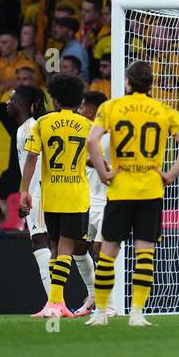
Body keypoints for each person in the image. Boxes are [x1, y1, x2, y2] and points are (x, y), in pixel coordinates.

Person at [85, 61, 179, 327]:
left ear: (127, 82)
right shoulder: (163, 109)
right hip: (150, 189)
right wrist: (170, 175)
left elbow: (91, 141)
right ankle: (136, 313)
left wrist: (103, 173)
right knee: (144, 253)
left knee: (108, 252)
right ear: (150, 83)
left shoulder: (110, 107)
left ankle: (101, 313)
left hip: (120, 189)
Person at [21, 72, 91, 318]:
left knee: (54, 247)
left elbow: (31, 157)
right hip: (76, 195)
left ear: (55, 99)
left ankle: (55, 302)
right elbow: (92, 158)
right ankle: (56, 302)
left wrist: (24, 190)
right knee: (65, 249)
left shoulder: (42, 122)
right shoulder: (87, 125)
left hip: (51, 194)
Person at [7, 84, 51, 303]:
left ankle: (54, 301)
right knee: (53, 243)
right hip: (40, 190)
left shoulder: (30, 127)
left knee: (39, 241)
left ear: (21, 103)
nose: (7, 103)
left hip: (39, 192)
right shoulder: (27, 127)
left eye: (11, 99)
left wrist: (27, 195)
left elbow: (34, 163)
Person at [75, 89, 111, 316]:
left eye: (80, 108)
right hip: (85, 199)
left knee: (101, 252)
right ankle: (93, 296)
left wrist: (83, 159)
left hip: (106, 200)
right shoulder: (83, 132)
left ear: (89, 111)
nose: (78, 111)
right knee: (78, 248)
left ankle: (109, 303)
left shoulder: (109, 135)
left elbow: (107, 166)